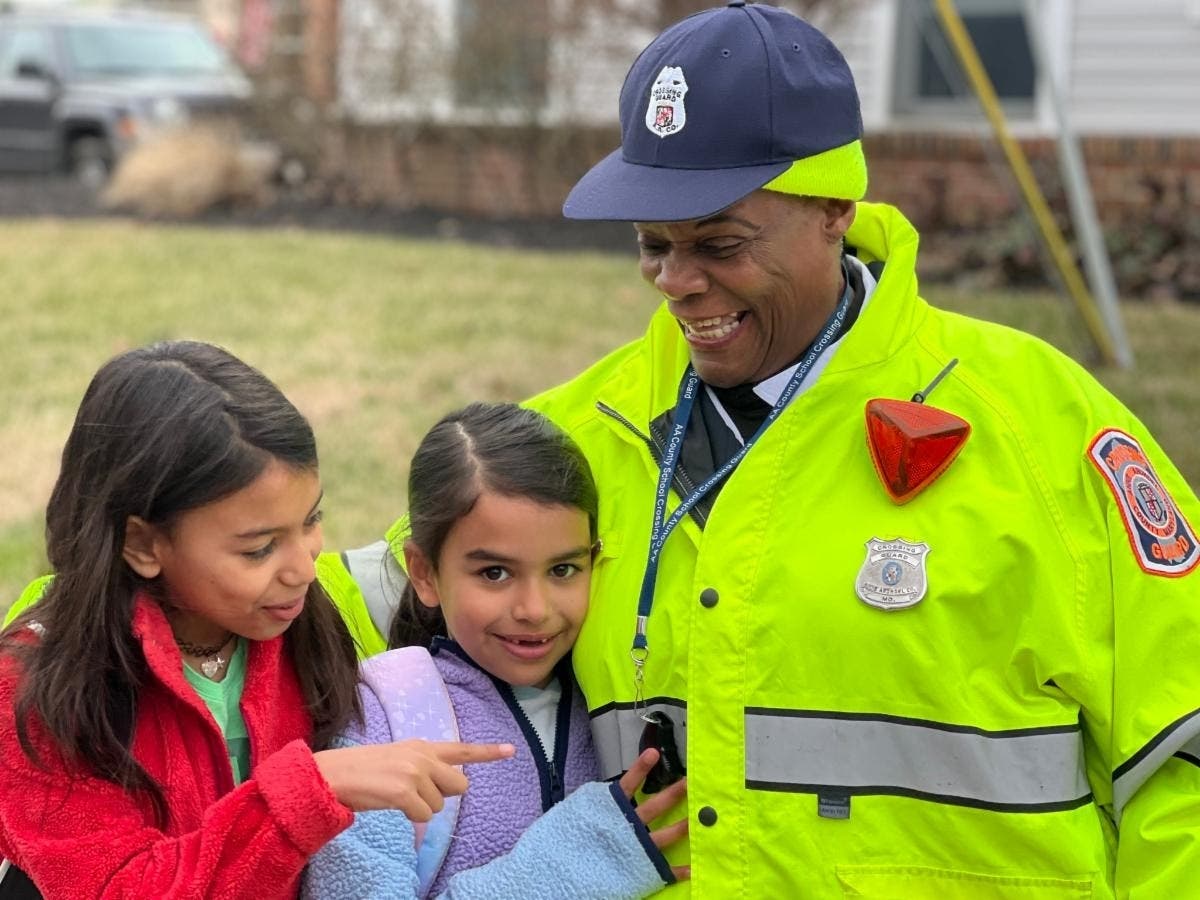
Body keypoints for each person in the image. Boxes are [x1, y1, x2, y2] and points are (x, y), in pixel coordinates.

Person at [314, 3, 1200, 896]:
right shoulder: (577, 437)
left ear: (833, 209)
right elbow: (318, 612)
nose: (678, 283)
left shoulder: (1039, 423)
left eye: (719, 243)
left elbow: (1180, 752)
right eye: (654, 247)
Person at [0, 341, 513, 900]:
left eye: (311, 519)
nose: (303, 566)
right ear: (142, 543)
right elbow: (117, 887)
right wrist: (307, 793)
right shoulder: (32, 692)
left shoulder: (298, 632)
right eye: (259, 548)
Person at [303, 402, 685, 898]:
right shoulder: (382, 724)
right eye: (494, 573)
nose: (534, 609)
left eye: (564, 570)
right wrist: (560, 873)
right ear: (424, 572)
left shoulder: (615, 698)